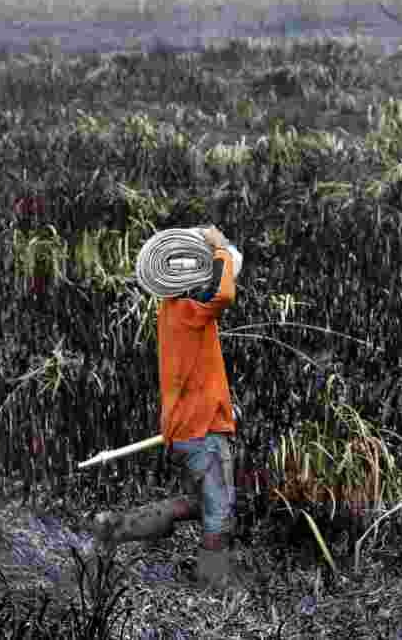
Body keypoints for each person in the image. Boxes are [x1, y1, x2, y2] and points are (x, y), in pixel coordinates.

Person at [89, 226, 250, 591]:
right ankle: (212, 583)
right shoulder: (192, 312)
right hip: (201, 430)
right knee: (219, 513)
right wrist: (221, 248)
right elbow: (224, 291)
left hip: (186, 427)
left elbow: (198, 372)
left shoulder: (170, 309)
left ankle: (116, 526)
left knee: (199, 502)